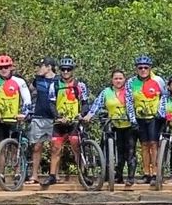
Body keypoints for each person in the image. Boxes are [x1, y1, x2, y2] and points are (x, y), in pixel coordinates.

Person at [0, 54, 31, 185]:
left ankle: (17, 173)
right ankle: (0, 175)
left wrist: (24, 113)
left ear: (11, 67)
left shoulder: (19, 81)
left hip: (14, 119)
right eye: (0, 67)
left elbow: (27, 99)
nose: (3, 69)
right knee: (0, 148)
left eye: (6, 67)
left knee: (14, 148)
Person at [85, 69, 137, 185]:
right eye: (116, 78)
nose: (118, 81)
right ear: (112, 80)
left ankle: (130, 177)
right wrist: (89, 115)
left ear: (125, 80)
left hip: (129, 125)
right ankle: (117, 176)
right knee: (116, 151)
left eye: (120, 78)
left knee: (129, 151)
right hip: (113, 125)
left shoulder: (130, 91)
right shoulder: (106, 92)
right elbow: (97, 104)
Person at [43, 57, 90, 186]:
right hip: (60, 122)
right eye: (63, 69)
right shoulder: (55, 85)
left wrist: (81, 114)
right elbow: (51, 104)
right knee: (55, 148)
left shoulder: (80, 85)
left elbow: (85, 103)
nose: (65, 72)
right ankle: (52, 176)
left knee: (76, 146)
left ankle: (83, 174)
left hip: (74, 121)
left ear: (72, 70)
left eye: (68, 69)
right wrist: (57, 116)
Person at [126, 55, 169, 185]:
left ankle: (155, 173)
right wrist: (132, 118)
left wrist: (160, 112)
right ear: (136, 69)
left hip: (154, 117)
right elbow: (128, 101)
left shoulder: (158, 80)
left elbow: (165, 96)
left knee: (154, 144)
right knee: (144, 145)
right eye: (140, 68)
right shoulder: (131, 82)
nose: (143, 70)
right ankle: (146, 173)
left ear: (150, 68)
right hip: (139, 118)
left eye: (146, 67)